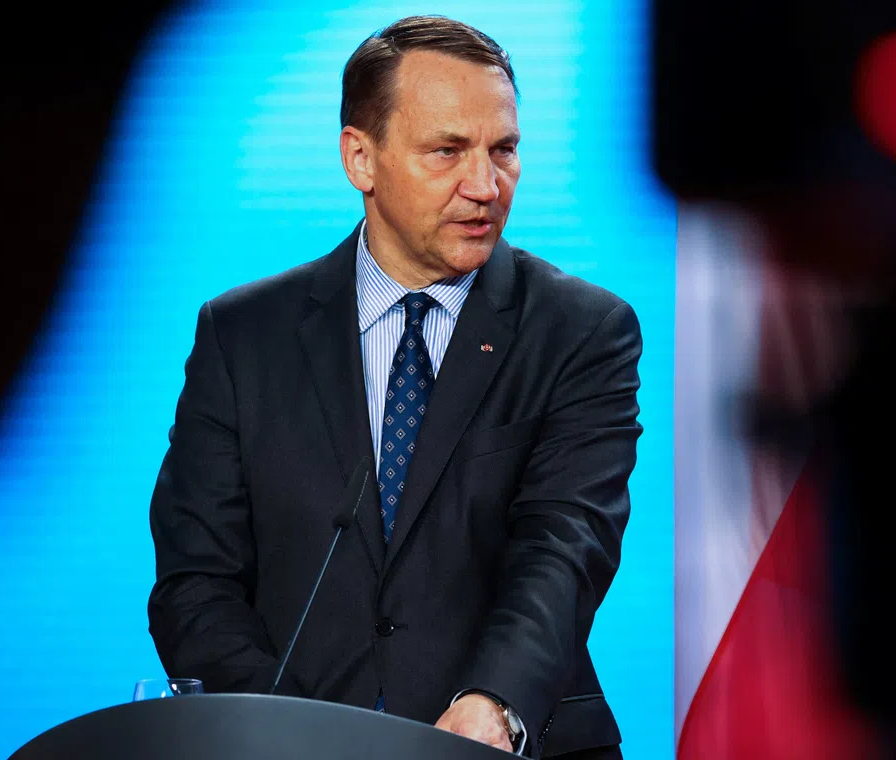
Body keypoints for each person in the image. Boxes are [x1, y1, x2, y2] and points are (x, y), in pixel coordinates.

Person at [147, 15, 640, 760]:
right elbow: (196, 583)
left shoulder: (580, 330)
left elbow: (564, 548)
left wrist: (490, 709)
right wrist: (300, 738)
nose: (485, 185)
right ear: (360, 158)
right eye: (447, 151)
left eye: (503, 150)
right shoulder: (243, 335)